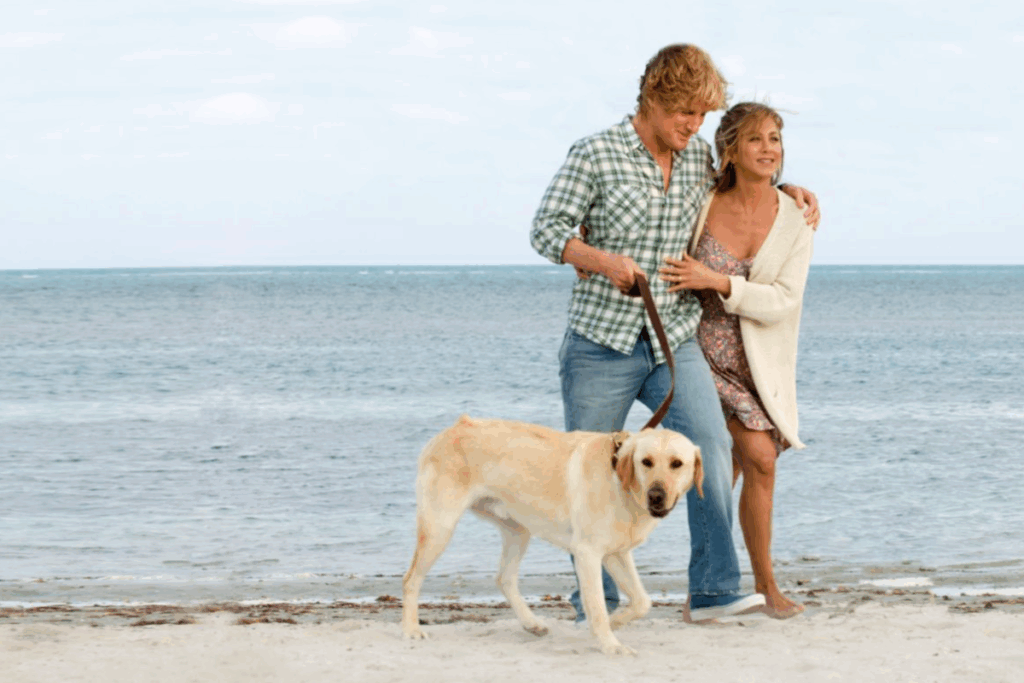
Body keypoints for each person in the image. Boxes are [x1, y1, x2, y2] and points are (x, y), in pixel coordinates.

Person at [530, 43, 820, 624]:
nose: (695, 126)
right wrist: (601, 260)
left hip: (673, 339)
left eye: (703, 115)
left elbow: (742, 183)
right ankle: (598, 602)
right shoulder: (595, 154)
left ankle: (713, 591)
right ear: (652, 100)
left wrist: (790, 189)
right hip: (599, 344)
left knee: (707, 448)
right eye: (685, 112)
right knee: (591, 473)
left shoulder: (694, 162)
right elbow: (545, 231)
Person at [658, 102, 814, 619]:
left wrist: (720, 282)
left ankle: (752, 585)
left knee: (748, 468)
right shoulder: (699, 197)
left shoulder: (795, 218)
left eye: (775, 139)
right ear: (730, 149)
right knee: (740, 460)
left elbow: (785, 299)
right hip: (693, 349)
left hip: (753, 362)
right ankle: (718, 586)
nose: (769, 149)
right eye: (756, 140)